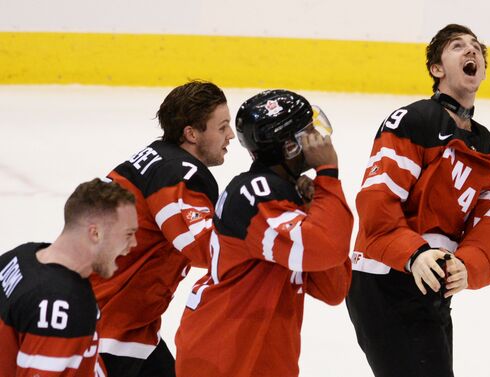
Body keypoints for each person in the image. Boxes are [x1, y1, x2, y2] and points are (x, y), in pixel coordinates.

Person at [346, 24, 490, 377]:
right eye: (457, 47)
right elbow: (378, 202)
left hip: (433, 287)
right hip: (382, 280)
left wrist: (468, 265)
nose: (471, 51)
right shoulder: (414, 121)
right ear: (437, 70)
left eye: (476, 48)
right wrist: (414, 253)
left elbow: (489, 227)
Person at [174, 89, 353, 377]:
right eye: (308, 133)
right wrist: (328, 175)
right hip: (221, 356)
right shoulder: (255, 194)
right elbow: (325, 249)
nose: (319, 138)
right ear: (289, 146)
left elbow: (333, 289)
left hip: (261, 358)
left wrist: (315, 204)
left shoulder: (286, 195)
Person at [91, 80, 235, 377]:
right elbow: (203, 250)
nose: (230, 135)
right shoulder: (180, 175)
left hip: (123, 321)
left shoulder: (155, 157)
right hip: (110, 330)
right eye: (221, 127)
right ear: (191, 134)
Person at [0, 178, 138, 377]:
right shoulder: (65, 304)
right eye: (128, 233)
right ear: (95, 233)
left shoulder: (19, 256)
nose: (134, 243)